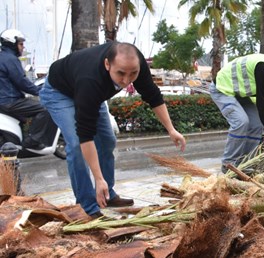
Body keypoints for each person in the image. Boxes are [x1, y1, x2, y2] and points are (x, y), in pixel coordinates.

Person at [39, 42, 186, 219]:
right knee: (76, 145)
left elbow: (153, 96)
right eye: (121, 74)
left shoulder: (134, 63)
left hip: (94, 94)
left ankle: (106, 195)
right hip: (59, 93)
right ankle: (87, 207)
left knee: (108, 140)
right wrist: (97, 178)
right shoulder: (90, 80)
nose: (126, 81)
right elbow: (85, 136)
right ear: (108, 64)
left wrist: (171, 129)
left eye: (133, 74)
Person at [0, 29, 57, 149]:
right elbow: (21, 82)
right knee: (46, 108)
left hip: (5, 100)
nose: (22, 47)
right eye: (20, 44)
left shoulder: (3, 57)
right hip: (10, 101)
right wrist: (41, 92)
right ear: (12, 44)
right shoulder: (10, 59)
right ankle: (33, 141)